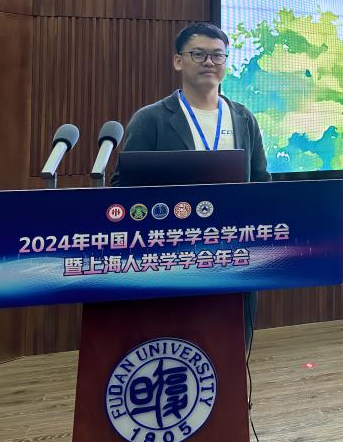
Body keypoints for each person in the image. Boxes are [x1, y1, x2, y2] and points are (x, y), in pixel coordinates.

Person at [113, 22, 269, 348]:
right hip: (172, 258)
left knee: (231, 347)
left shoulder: (243, 118)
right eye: (198, 54)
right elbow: (123, 187)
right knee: (175, 346)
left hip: (234, 253)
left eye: (217, 55)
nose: (209, 62)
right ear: (178, 61)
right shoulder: (152, 119)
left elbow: (261, 182)